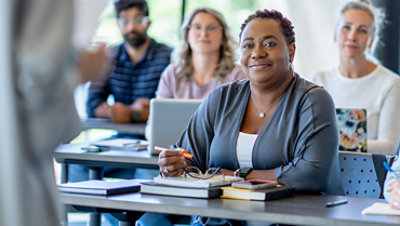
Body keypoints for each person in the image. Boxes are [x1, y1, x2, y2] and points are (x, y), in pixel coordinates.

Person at [154, 9, 343, 226]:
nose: (257, 53)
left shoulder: (313, 100)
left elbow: (311, 174)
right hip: (219, 221)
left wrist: (238, 177)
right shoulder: (222, 98)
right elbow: (189, 159)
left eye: (270, 44)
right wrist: (173, 165)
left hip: (288, 220)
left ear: (291, 50)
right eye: (248, 45)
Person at [310, 0, 400, 155]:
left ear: (372, 39)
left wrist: (332, 142)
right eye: (346, 27)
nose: (352, 36)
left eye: (362, 30)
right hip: (322, 175)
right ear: (335, 34)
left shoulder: (391, 83)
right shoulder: (319, 80)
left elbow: (389, 146)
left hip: (370, 177)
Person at [144, 7, 245, 140]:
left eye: (212, 28)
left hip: (218, 156)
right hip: (177, 152)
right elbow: (152, 128)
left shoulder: (238, 76)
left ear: (223, 36)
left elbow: (243, 127)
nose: (204, 33)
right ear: (187, 35)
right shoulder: (172, 74)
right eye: (197, 27)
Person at [87, 0, 172, 124]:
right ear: (118, 24)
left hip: (158, 135)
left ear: (148, 23)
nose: (131, 27)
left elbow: (173, 107)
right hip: (120, 136)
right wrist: (113, 112)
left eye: (138, 20)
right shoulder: (109, 57)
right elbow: (92, 104)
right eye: (125, 20)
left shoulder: (168, 56)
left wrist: (133, 114)